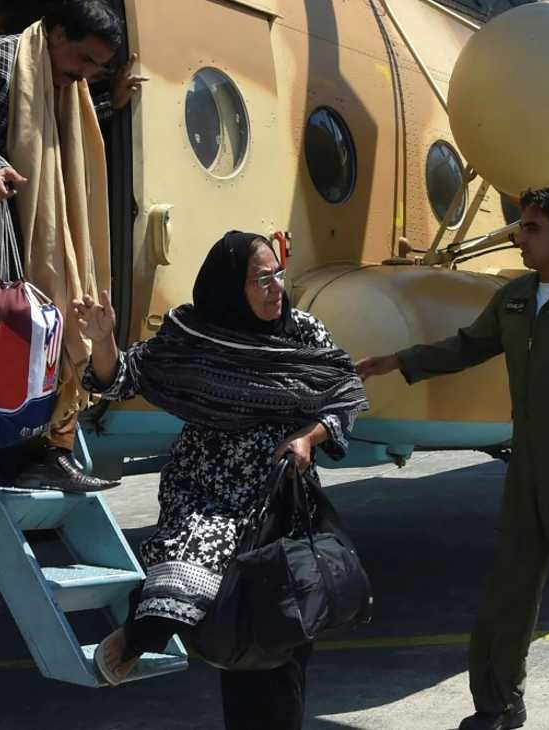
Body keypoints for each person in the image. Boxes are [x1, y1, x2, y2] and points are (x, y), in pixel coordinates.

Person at [357, 187, 549, 730]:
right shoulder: (516, 297)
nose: (519, 235)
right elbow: (468, 345)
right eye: (521, 225)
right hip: (526, 472)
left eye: (532, 228)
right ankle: (498, 705)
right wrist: (398, 360)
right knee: (507, 595)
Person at [77, 232, 368, 729]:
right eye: (261, 279)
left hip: (279, 498)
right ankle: (138, 638)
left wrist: (307, 437)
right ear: (231, 288)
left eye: (278, 273)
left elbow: (345, 393)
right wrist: (102, 340)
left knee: (284, 629)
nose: (276, 287)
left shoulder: (303, 332)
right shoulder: (196, 336)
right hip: (207, 494)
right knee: (221, 620)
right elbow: (122, 378)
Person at [0, 0, 140, 492]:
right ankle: (25, 456)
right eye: (83, 57)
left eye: (98, 66)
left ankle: (52, 450)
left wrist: (111, 103)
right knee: (16, 342)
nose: (86, 72)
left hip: (37, 235)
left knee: (53, 331)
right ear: (57, 33)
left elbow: (60, 143)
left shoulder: (74, 86)